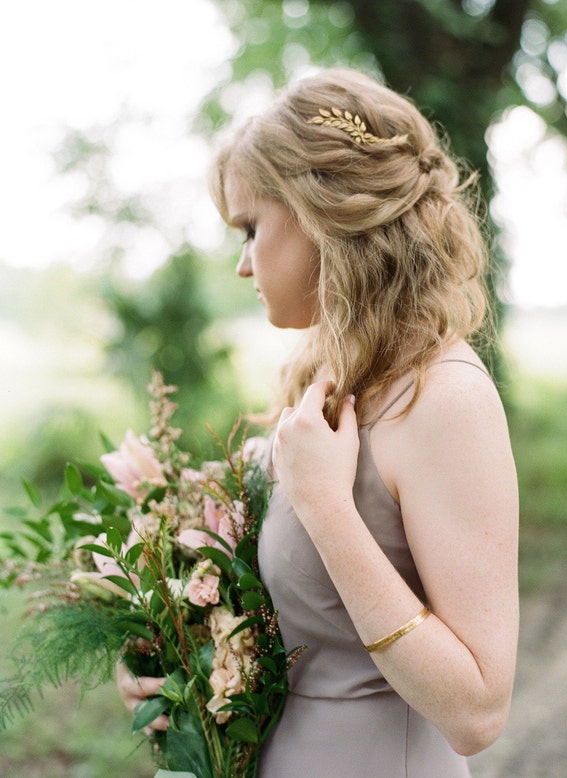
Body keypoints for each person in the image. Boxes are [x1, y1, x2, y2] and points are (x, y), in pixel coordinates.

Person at [117, 68, 519, 777]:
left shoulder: (445, 398)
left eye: (249, 227)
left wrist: (328, 508)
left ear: (323, 211)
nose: (243, 264)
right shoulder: (333, 386)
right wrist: (173, 656)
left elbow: (477, 712)